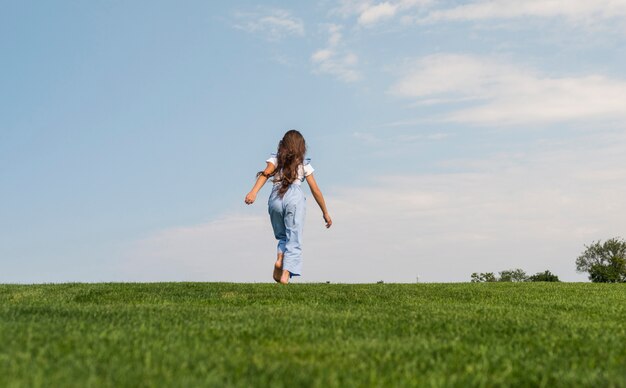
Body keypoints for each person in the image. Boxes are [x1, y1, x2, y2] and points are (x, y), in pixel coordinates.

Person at [245, 130, 332, 284]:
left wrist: (253, 192)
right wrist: (325, 212)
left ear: (282, 144)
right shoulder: (304, 164)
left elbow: (265, 174)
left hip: (275, 198)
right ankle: (285, 273)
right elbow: (315, 190)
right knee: (294, 237)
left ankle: (280, 258)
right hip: (294, 198)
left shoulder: (275, 159)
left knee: (282, 236)